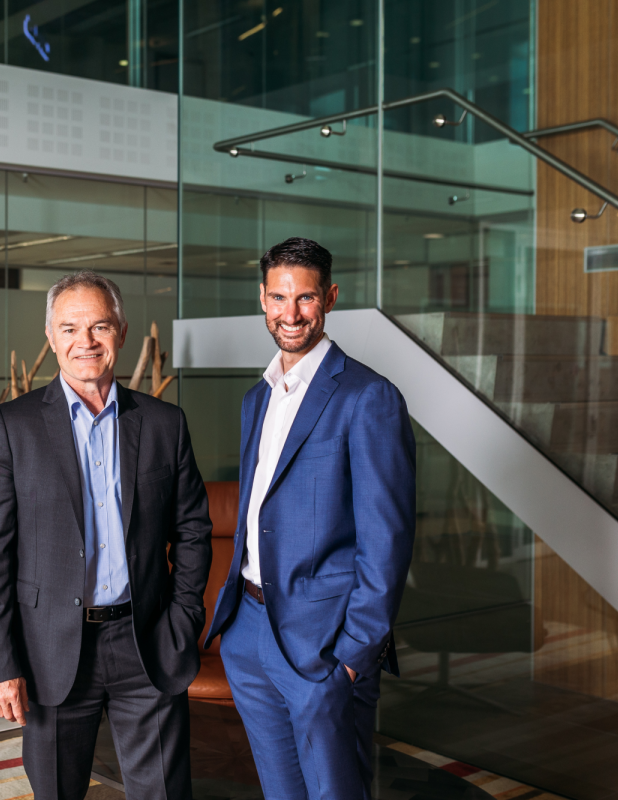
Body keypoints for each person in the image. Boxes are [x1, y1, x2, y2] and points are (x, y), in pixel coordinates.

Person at [0, 271, 212, 800]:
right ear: (52, 337)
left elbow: (193, 528)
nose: (86, 341)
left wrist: (183, 616)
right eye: (70, 328)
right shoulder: (15, 425)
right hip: (49, 649)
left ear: (122, 333)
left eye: (100, 326)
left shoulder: (164, 423)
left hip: (145, 642)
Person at [205, 237, 416, 800]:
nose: (290, 313)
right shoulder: (259, 396)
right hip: (248, 632)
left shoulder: (368, 398)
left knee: (334, 793)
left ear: (330, 298)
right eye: (279, 297)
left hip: (322, 644)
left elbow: (387, 540)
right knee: (281, 791)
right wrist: (234, 635)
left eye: (305, 298)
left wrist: (351, 656)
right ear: (262, 299)